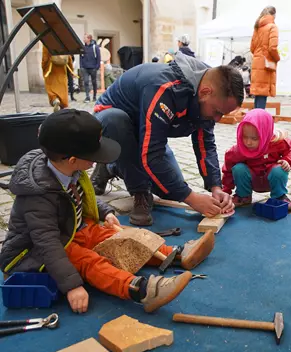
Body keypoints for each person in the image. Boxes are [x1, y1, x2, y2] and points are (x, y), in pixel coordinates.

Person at [0, 109, 216, 314]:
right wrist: (72, 286)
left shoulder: (67, 168)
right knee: (88, 260)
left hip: (71, 232)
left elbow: (83, 197)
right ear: (73, 160)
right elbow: (47, 243)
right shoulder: (38, 196)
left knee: (119, 235)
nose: (98, 158)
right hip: (34, 253)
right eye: (94, 153)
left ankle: (174, 255)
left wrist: (104, 212)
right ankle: (141, 290)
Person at [91, 53, 243, 226]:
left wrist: (216, 187)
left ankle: (113, 167)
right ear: (205, 92)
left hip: (147, 130)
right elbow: (152, 155)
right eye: (217, 111)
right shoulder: (164, 88)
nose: (217, 119)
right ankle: (140, 191)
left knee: (171, 189)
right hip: (110, 122)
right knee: (116, 121)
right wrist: (192, 199)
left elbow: (205, 145)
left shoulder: (208, 90)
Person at [222, 109, 291, 211]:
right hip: (251, 180)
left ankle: (279, 197)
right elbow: (228, 170)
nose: (248, 142)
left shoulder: (278, 142)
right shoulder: (238, 150)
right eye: (245, 137)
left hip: (271, 179)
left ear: (266, 134)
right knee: (238, 168)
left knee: (280, 169)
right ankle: (243, 196)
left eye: (254, 138)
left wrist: (288, 160)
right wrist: (225, 192)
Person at [250, 6, 280, 110]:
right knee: (263, 93)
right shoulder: (272, 27)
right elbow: (272, 48)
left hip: (257, 61)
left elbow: (252, 48)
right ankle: (259, 121)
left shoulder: (257, 27)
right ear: (274, 15)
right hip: (266, 64)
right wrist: (277, 58)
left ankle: (255, 118)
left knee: (258, 94)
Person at [41, 46, 75, 112]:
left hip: (51, 69)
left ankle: (54, 100)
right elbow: (69, 57)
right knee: (62, 89)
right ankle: (63, 105)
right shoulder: (63, 41)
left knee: (51, 88)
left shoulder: (46, 42)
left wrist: (43, 68)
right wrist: (71, 70)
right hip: (62, 70)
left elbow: (44, 58)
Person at [80, 33, 101, 103]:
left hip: (93, 68)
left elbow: (98, 58)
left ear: (89, 39)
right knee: (86, 82)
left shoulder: (95, 47)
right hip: (85, 68)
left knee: (94, 82)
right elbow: (81, 57)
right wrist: (81, 67)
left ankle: (94, 96)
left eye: (85, 38)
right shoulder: (82, 47)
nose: (83, 39)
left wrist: (97, 67)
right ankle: (87, 97)